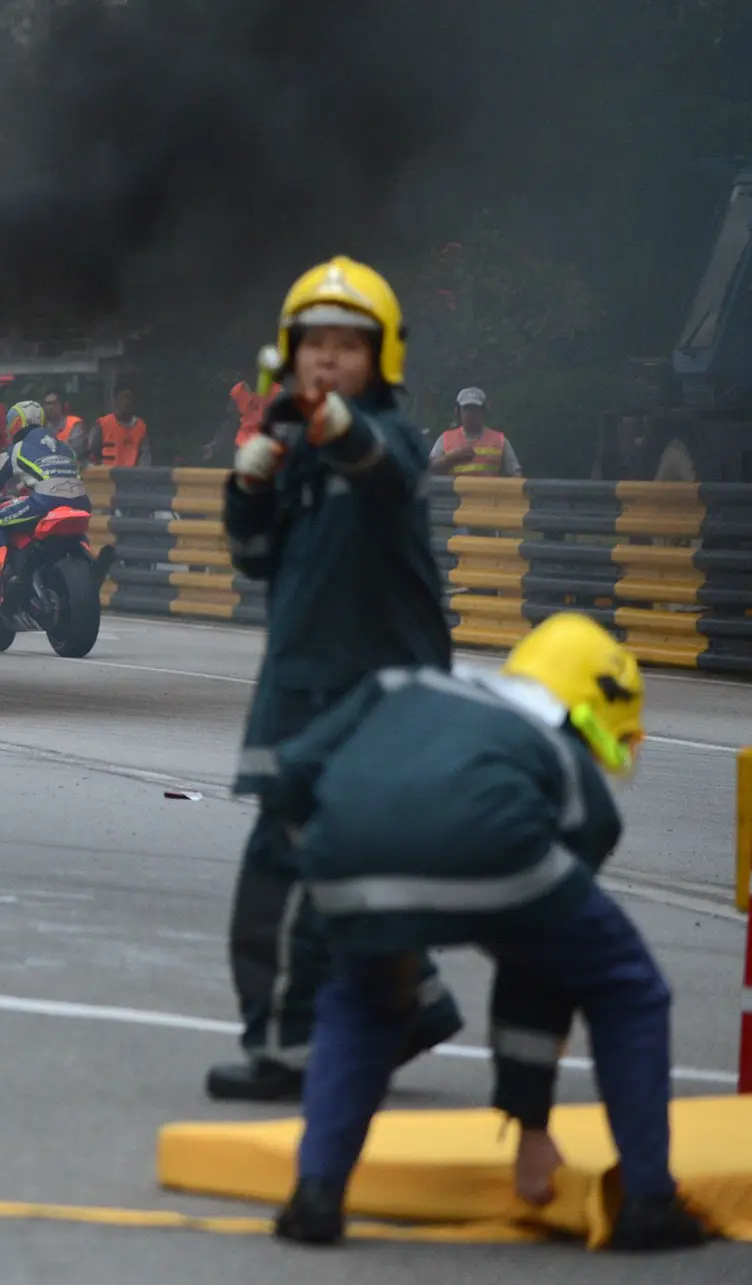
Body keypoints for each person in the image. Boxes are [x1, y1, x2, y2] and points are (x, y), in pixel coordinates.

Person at [266, 613, 709, 1253]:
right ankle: (649, 1202)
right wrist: (531, 1124)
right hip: (499, 849)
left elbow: (294, 771)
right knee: (627, 986)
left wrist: (321, 860)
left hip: (347, 854)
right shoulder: (570, 769)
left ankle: (315, 1195)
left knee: (363, 1002)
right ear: (586, 710)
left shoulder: (404, 683)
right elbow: (542, 973)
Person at [212, 255, 465, 1102]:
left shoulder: (391, 439)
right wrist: (250, 479)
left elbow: (381, 470)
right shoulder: (296, 452)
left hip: (371, 698)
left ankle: (284, 1049)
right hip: (305, 688)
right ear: (287, 355)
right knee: (343, 870)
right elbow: (255, 561)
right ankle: (411, 1002)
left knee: (281, 875)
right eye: (313, 344)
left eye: (347, 346)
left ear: (381, 358)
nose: (328, 359)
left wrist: (327, 427)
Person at [0, 400, 91, 600]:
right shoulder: (64, 447)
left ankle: (5, 583)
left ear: (18, 423)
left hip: (45, 501)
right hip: (81, 501)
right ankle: (90, 563)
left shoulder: (16, 449)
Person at [429, 387, 523, 477]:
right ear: (458, 412)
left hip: (488, 493)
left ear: (484, 411)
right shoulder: (445, 439)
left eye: (475, 409)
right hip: (454, 493)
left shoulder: (500, 440)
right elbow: (429, 468)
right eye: (467, 409)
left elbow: (515, 473)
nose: (471, 413)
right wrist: (451, 459)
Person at [92, 384, 150, 468]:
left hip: (132, 476)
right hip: (107, 477)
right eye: (123, 397)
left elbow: (144, 457)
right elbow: (92, 455)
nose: (126, 401)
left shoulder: (140, 426)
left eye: (129, 398)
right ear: (116, 400)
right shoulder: (103, 424)